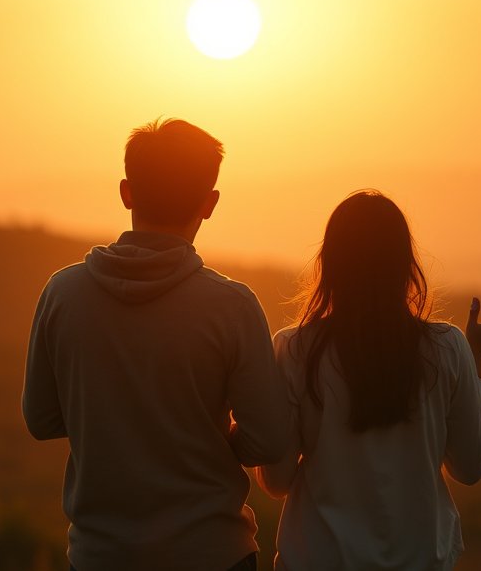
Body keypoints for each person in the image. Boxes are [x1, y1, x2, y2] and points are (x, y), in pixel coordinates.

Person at [23, 118, 290, 571]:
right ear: (209, 204)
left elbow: (41, 418)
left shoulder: (63, 294)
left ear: (126, 192)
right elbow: (267, 441)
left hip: (100, 556)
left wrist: (109, 419)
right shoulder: (232, 306)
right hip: (213, 553)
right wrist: (210, 434)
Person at [256, 190, 481, 571]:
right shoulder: (447, 348)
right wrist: (475, 356)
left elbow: (278, 480)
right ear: (405, 265)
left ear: (330, 265)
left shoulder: (294, 349)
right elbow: (471, 466)